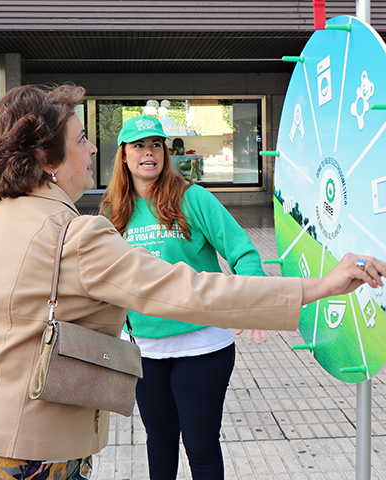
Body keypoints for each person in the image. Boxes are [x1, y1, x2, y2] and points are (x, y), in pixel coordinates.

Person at [0, 83, 386, 479]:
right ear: (48, 159)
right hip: (20, 453)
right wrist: (323, 285)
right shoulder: (77, 233)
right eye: (82, 139)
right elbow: (190, 291)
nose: (93, 148)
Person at [101, 114, 269, 478]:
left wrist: (255, 305)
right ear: (124, 156)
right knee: (159, 441)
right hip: (145, 349)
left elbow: (242, 252)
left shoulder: (193, 198)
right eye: (139, 146)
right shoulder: (113, 210)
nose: (149, 153)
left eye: (156, 145)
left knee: (200, 446)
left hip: (202, 346)